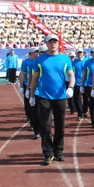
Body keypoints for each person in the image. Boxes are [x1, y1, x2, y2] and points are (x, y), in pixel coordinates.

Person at [29, 34, 75, 165]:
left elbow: (71, 75)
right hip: (44, 96)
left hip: (60, 97)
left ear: (58, 43)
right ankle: (48, 153)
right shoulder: (40, 60)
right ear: (47, 44)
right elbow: (34, 79)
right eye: (50, 42)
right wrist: (31, 95)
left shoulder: (65, 59)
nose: (53, 44)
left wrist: (71, 87)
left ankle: (58, 151)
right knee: (46, 126)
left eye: (55, 42)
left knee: (60, 125)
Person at [18, 46, 39, 139]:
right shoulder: (26, 62)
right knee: (30, 106)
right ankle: (31, 121)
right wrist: (22, 86)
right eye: (35, 52)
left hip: (40, 87)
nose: (37, 53)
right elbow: (23, 74)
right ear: (31, 53)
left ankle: (38, 125)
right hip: (29, 86)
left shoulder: (40, 61)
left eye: (38, 52)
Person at [82, 46, 94, 129]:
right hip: (90, 86)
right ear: (92, 53)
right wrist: (82, 85)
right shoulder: (87, 62)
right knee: (93, 104)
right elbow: (84, 74)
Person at [72, 48, 86, 119]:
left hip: (85, 83)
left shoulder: (86, 61)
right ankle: (80, 113)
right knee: (77, 99)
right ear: (76, 54)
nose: (80, 54)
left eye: (81, 53)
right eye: (78, 53)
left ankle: (84, 111)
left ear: (83, 53)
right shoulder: (73, 63)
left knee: (86, 99)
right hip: (76, 83)